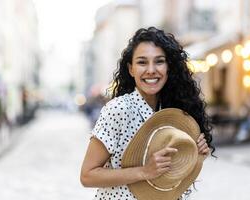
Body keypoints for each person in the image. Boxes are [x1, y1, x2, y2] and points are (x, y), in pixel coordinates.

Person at [80, 27, 215, 200]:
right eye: (142, 62)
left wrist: (194, 157)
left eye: (159, 61)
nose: (151, 70)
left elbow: (171, 180)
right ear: (131, 69)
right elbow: (87, 176)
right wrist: (144, 171)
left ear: (169, 67)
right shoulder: (118, 109)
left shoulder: (176, 115)